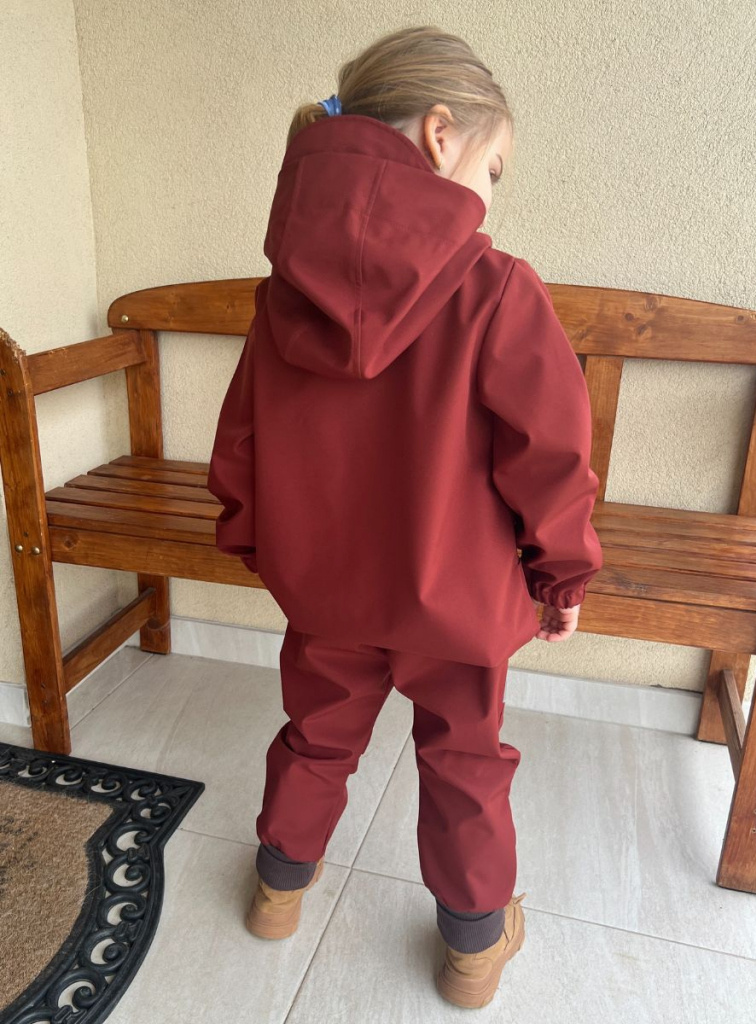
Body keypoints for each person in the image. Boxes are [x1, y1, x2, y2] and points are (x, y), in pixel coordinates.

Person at [206, 24, 603, 1010]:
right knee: (465, 761)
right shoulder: (497, 288)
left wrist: (269, 549)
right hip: (457, 603)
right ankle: (472, 949)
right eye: (493, 169)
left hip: (328, 594)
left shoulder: (281, 296)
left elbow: (241, 440)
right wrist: (561, 575)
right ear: (439, 133)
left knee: (315, 736)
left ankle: (276, 892)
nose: (491, 196)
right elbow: (550, 458)